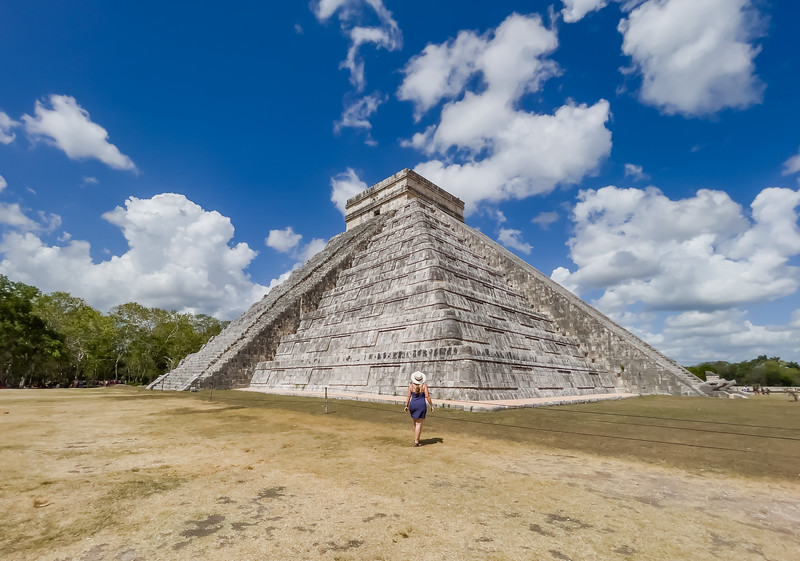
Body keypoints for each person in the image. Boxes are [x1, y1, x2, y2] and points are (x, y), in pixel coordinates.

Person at [404, 371, 434, 447]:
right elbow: (427, 397)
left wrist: (406, 405)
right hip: (421, 405)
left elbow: (408, 396)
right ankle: (417, 441)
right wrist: (431, 405)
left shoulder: (411, 386)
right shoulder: (424, 386)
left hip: (413, 404)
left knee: (415, 423)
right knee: (419, 424)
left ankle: (416, 438)